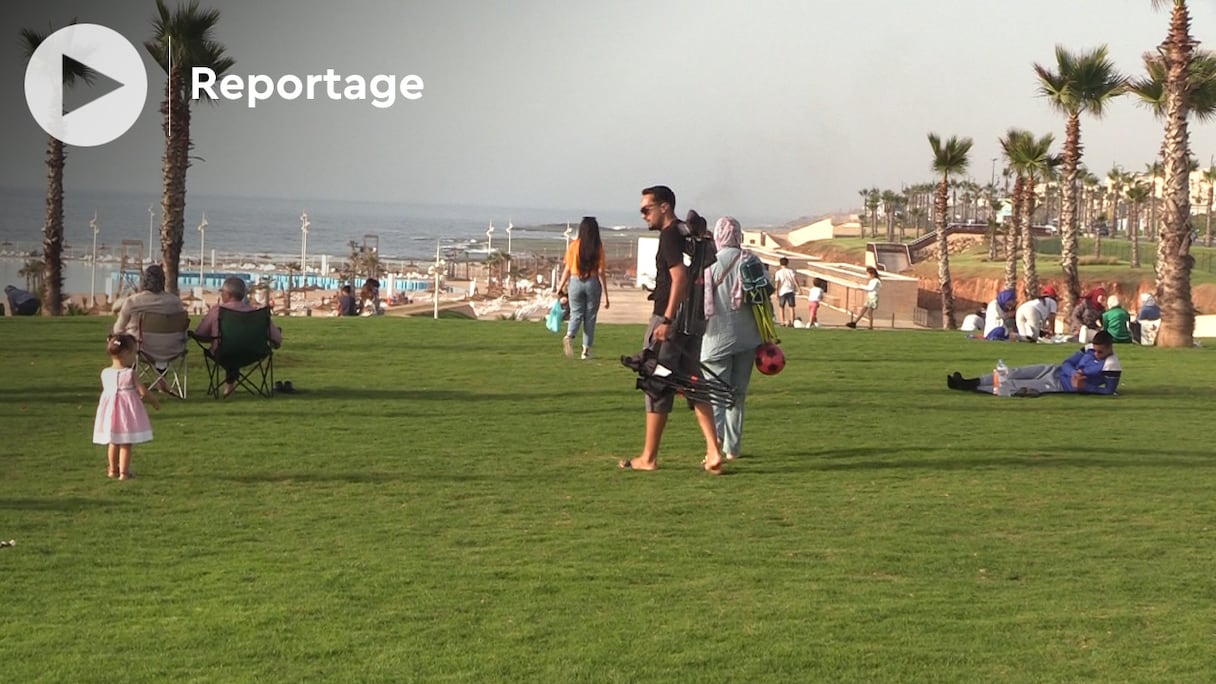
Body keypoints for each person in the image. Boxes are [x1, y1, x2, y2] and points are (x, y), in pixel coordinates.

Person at [619, 185, 727, 474]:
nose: (643, 215)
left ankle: (648, 458)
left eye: (647, 209)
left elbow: (678, 278)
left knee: (656, 380)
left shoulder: (669, 236)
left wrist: (666, 321)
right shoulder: (686, 231)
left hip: (671, 320)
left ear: (664, 206)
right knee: (693, 381)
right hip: (694, 321)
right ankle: (714, 451)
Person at [700, 216, 763, 461]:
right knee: (737, 396)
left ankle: (713, 448)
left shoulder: (708, 263)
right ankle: (732, 448)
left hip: (715, 338)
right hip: (748, 338)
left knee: (715, 395)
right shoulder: (751, 261)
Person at [946, 330, 1122, 396]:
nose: (1097, 354)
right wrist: (1073, 373)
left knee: (1015, 384)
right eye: (1096, 350)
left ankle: (970, 388)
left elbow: (1109, 390)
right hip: (1055, 370)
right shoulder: (1089, 348)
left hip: (1058, 384)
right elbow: (1067, 362)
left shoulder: (1111, 364)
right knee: (1012, 372)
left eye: (1101, 352)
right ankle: (969, 381)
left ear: (1109, 347)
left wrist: (1083, 387)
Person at [193, 277, 283, 398]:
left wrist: (214, 337)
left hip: (223, 353)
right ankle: (230, 385)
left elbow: (200, 334)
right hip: (254, 353)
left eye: (222, 292)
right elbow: (277, 340)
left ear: (228, 294)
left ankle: (228, 386)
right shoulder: (257, 314)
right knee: (236, 349)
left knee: (229, 349)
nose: (221, 294)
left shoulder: (217, 311)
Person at [93, 333, 161, 480]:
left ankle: (112, 470)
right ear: (125, 353)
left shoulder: (105, 373)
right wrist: (154, 401)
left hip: (111, 413)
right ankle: (124, 472)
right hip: (126, 413)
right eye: (133, 354)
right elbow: (142, 391)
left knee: (113, 441)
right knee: (125, 442)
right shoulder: (130, 373)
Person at [556, 216, 610, 360]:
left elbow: (567, 269)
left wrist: (560, 287)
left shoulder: (573, 246)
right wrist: (606, 294)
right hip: (592, 282)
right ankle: (585, 351)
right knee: (590, 317)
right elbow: (600, 272)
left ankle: (570, 335)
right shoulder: (598, 247)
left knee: (576, 313)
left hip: (575, 281)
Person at [773, 257, 798, 327]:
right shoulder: (791, 271)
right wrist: (799, 288)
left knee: (781, 307)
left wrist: (776, 293)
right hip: (790, 290)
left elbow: (777, 283)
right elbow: (794, 280)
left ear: (780, 263)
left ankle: (782, 322)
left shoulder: (778, 273)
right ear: (787, 263)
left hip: (782, 291)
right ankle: (792, 322)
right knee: (791, 307)